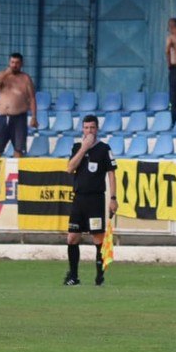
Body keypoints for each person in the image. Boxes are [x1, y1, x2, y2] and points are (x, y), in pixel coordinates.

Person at [64, 114, 117, 287]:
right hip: (79, 199)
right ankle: (73, 276)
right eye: (86, 128)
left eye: (92, 128)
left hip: (95, 200)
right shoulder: (77, 147)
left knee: (98, 239)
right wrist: (83, 148)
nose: (89, 131)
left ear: (97, 129)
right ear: (82, 129)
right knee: (72, 238)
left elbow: (111, 173)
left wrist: (113, 198)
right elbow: (70, 168)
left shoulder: (104, 149)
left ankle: (99, 277)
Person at [0, 52, 38, 158]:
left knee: (19, 149)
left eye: (17, 63)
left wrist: (34, 117)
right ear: (9, 63)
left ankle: (18, 173)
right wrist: (5, 74)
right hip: (2, 117)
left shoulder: (25, 78)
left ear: (21, 64)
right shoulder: (2, 76)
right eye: (12, 62)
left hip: (19, 117)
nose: (14, 65)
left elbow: (32, 98)